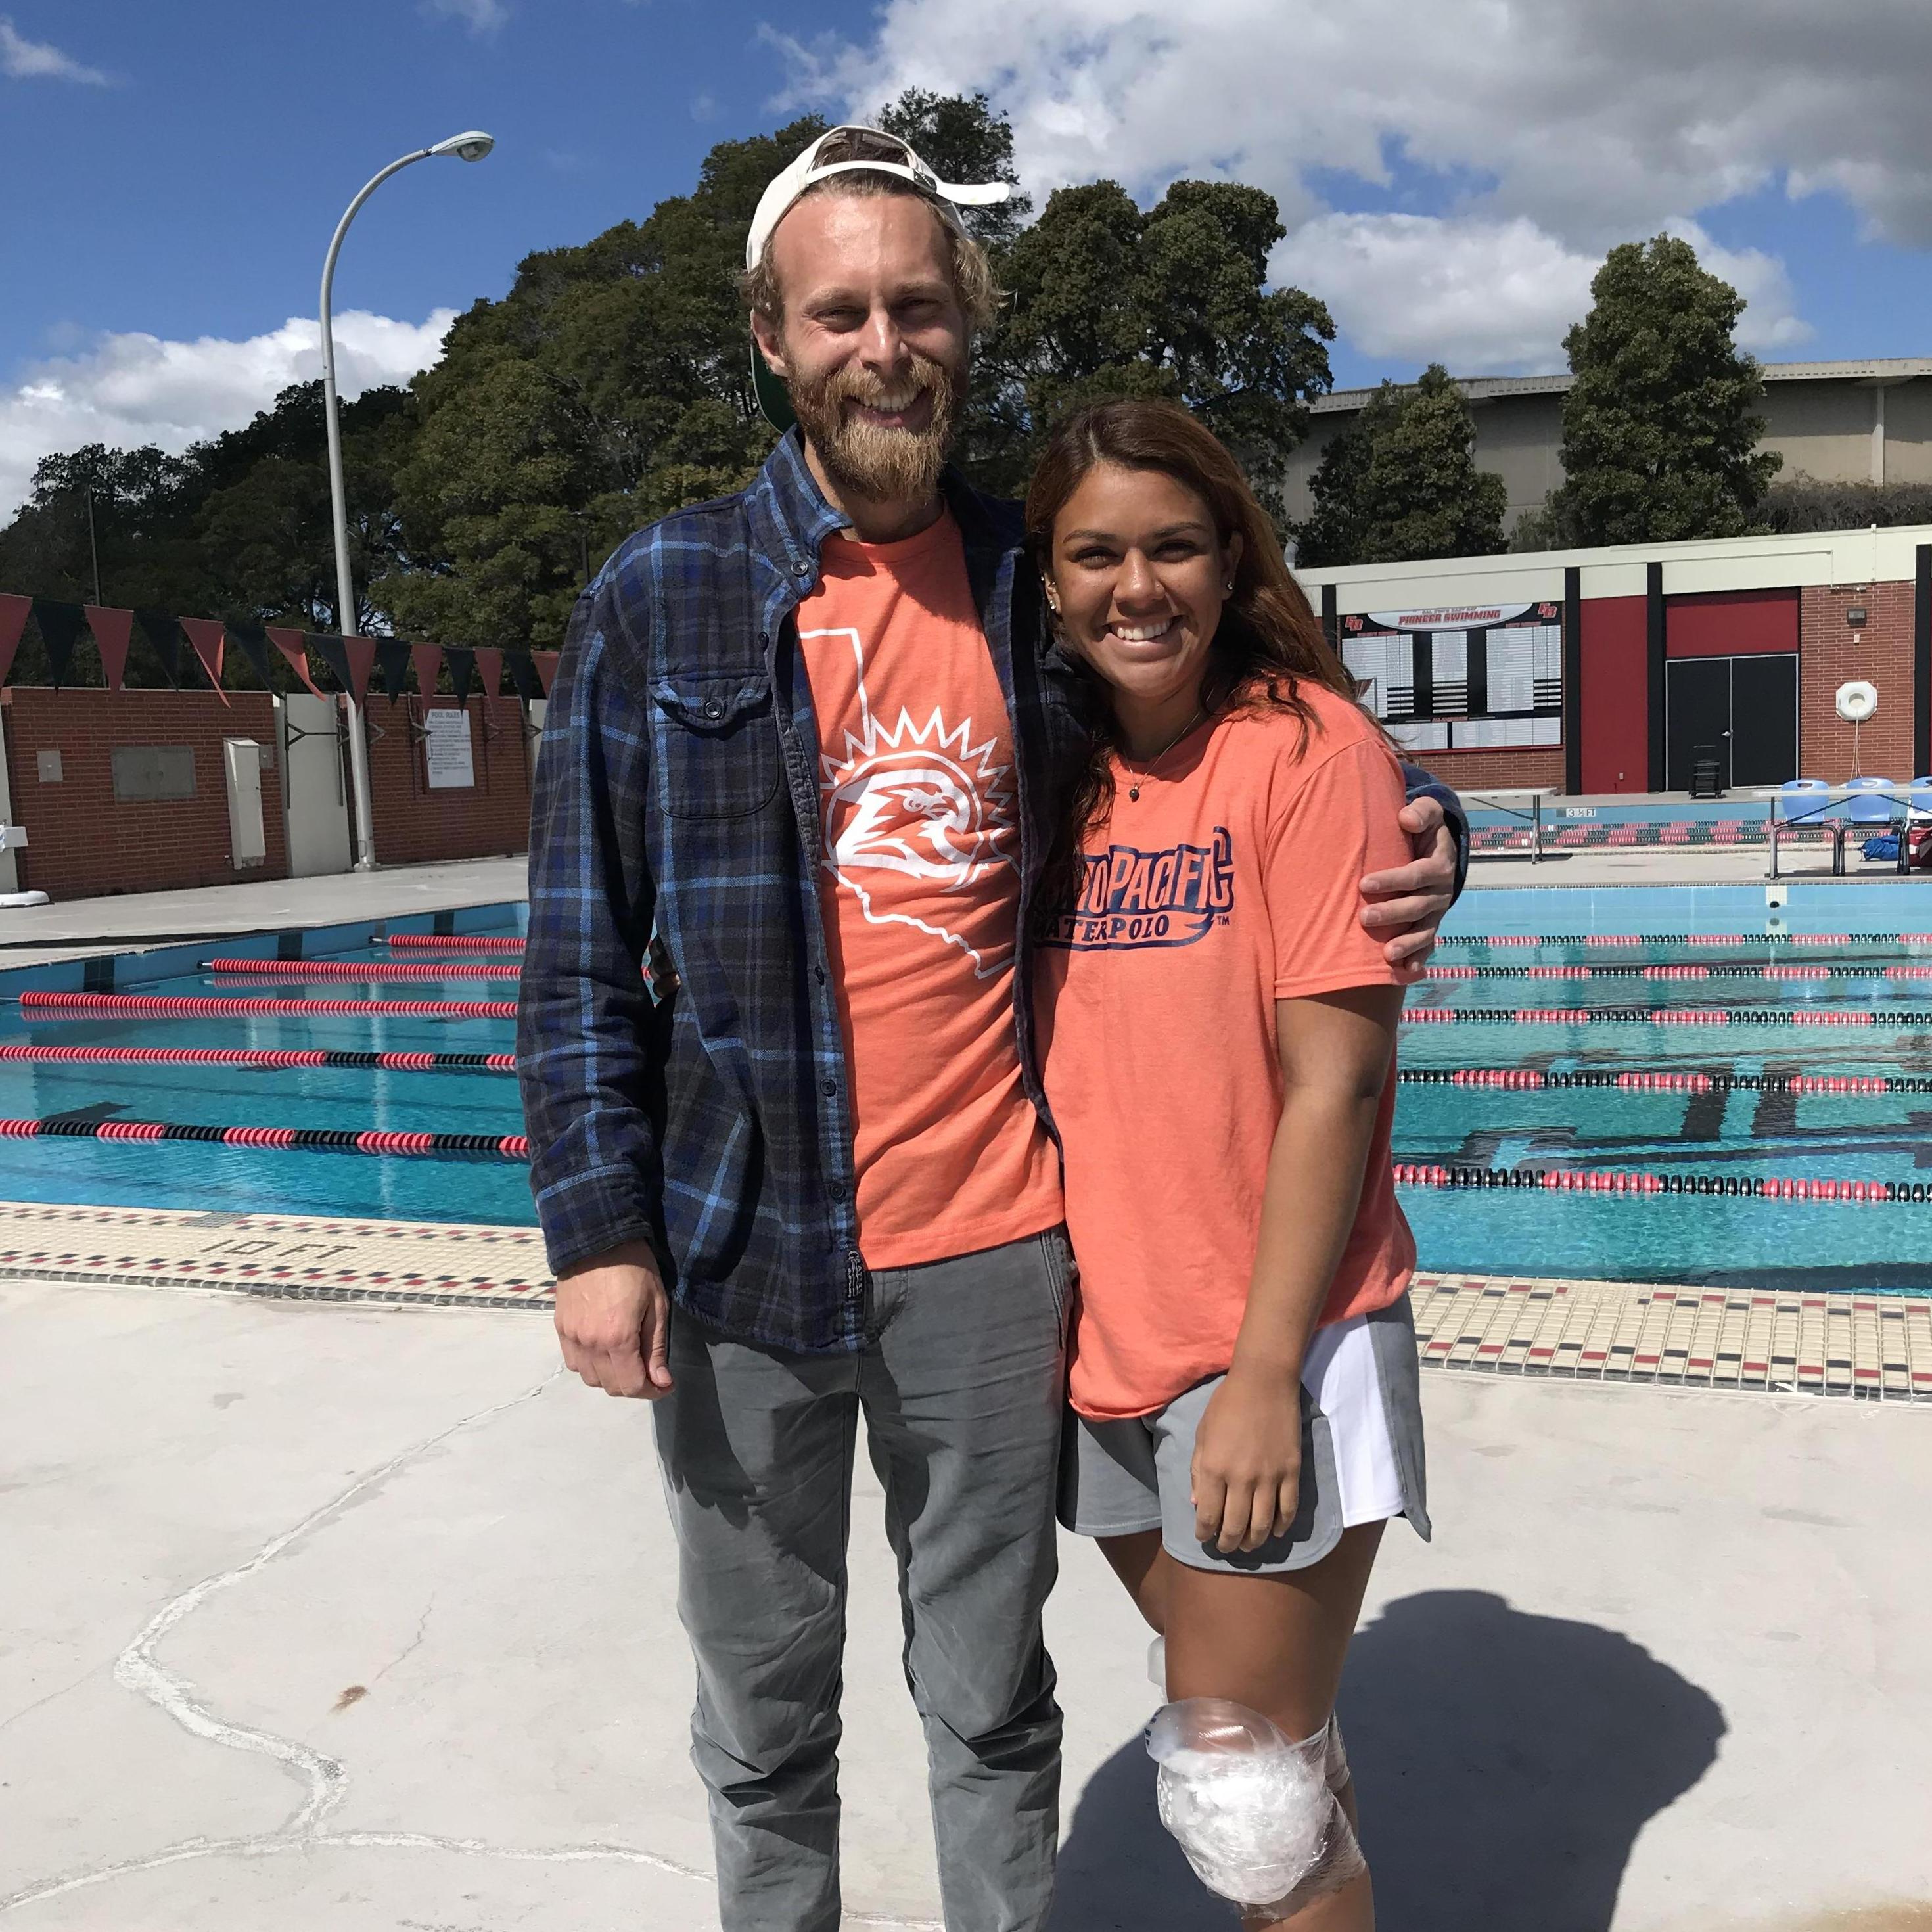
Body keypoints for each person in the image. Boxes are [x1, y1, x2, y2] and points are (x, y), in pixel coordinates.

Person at [517, 123, 1462, 1932]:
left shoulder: (1036, 579)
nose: (886, 343)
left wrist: (1435, 825)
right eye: (842, 310)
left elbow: (1242, 710)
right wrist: (598, 1235)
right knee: (765, 1711)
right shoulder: (662, 594)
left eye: (921, 305)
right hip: (735, 1259)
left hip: (994, 1261)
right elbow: (573, 947)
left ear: (968, 326)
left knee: (988, 1700)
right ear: (774, 340)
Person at [1028, 398, 1430, 1929]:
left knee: (1244, 1798)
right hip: (1107, 1356)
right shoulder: (1058, 775)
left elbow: (1335, 1081)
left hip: (1274, 1350)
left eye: (1176, 546)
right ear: (1051, 580)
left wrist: (1264, 1375)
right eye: (1097, 553)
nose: (1140, 586)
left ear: (1230, 556)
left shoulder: (1307, 750)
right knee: (1273, 1761)